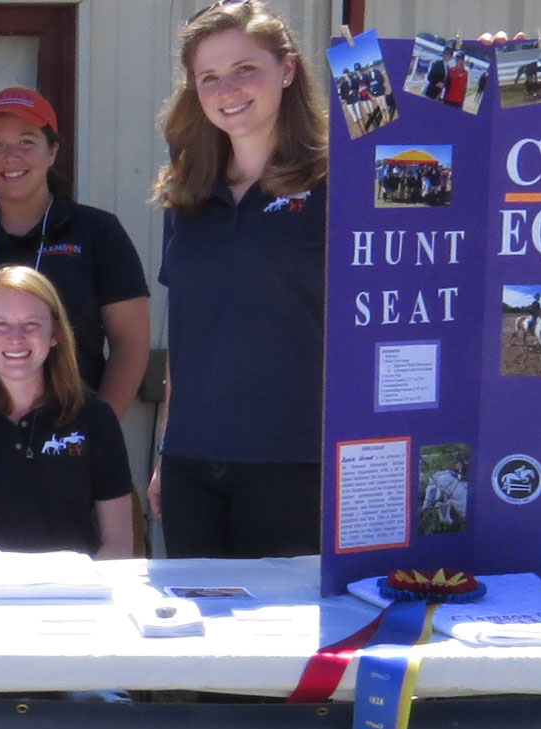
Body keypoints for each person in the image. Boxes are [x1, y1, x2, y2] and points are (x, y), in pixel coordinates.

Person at [147, 0, 329, 558]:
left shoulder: (337, 183)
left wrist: (495, 80)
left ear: (287, 69)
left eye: (245, 69)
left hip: (296, 461)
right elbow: (189, 333)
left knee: (282, 619)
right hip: (193, 464)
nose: (228, 89)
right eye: (209, 77)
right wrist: (166, 453)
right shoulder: (187, 193)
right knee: (196, 618)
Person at [0, 86, 150, 426]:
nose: (11, 156)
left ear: (53, 151)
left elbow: (130, 342)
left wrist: (99, 430)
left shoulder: (99, 232)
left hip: (69, 439)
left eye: (26, 142)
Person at [0, 266, 135, 557]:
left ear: (55, 332)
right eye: (0, 324)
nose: (15, 337)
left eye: (31, 324)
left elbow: (118, 545)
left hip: (73, 586)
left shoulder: (96, 419)